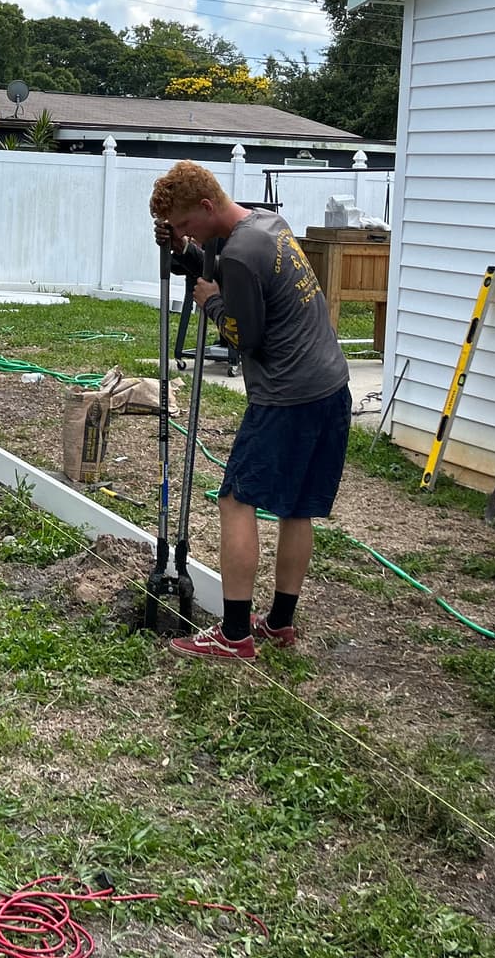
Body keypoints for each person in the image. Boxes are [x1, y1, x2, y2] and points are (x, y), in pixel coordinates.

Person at [150, 161, 351, 661]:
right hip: (330, 386)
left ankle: (234, 634)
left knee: (236, 502)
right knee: (296, 506)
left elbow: (248, 337)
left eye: (186, 224)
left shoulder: (238, 254)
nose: (186, 233)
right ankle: (280, 623)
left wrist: (212, 305)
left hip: (287, 397)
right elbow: (217, 266)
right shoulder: (264, 225)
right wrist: (186, 253)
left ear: (205, 206)